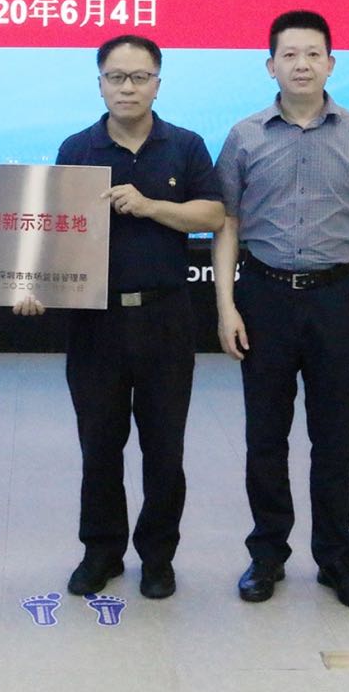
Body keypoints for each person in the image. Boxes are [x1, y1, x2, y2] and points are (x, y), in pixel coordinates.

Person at [13, 35, 223, 601]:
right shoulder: (78, 148)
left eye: (139, 77)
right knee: (99, 446)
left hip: (166, 318)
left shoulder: (186, 145)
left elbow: (213, 214)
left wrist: (151, 206)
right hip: (94, 320)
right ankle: (101, 552)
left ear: (158, 83)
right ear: (100, 83)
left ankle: (158, 557)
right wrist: (33, 285)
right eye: (116, 77)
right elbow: (52, 230)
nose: (127, 88)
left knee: (164, 449)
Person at [213, 9, 349, 609]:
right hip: (263, 296)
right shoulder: (243, 136)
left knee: (334, 439)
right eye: (289, 55)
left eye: (313, 54)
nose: (301, 64)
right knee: (265, 437)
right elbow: (226, 224)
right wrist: (226, 306)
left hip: (337, 298)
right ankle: (267, 555)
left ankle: (337, 559)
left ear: (331, 63)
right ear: (270, 65)